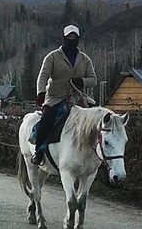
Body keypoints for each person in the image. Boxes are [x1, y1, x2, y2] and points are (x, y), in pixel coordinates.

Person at [31, 25, 97, 164]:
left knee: (97, 120)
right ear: (64, 38)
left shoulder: (85, 60)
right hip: (55, 97)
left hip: (78, 98)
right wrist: (41, 93)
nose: (71, 40)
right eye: (69, 37)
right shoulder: (52, 57)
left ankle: (96, 155)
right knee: (47, 121)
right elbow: (43, 76)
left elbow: (94, 80)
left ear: (78, 39)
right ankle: (39, 151)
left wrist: (81, 81)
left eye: (74, 37)